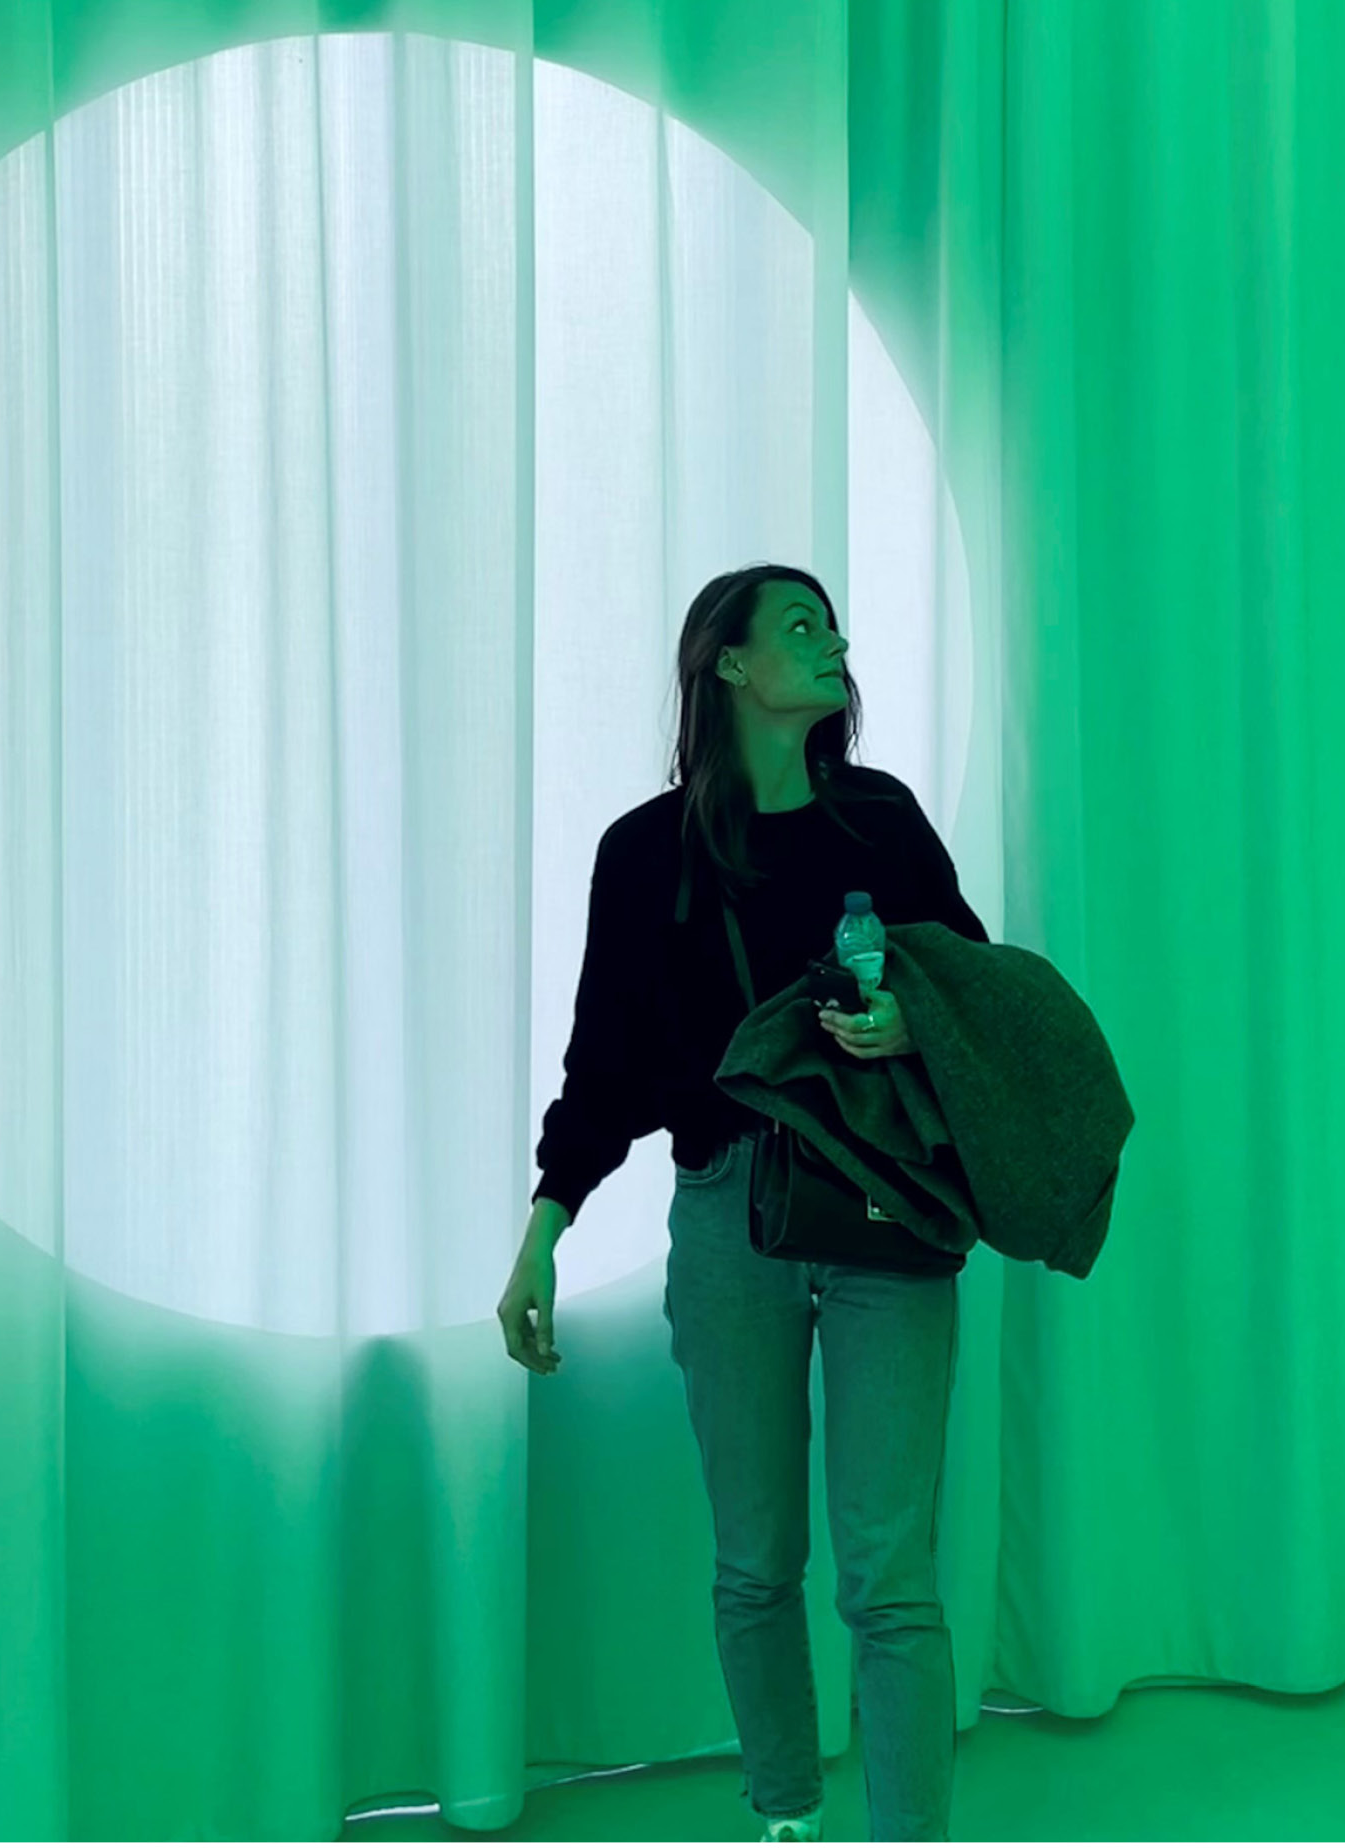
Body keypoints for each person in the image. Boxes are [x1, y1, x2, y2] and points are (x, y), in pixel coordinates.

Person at [497, 564, 989, 1843]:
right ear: (725, 662)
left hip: (883, 1213)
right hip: (727, 1214)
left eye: (833, 624)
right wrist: (541, 1232)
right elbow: (602, 1067)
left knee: (889, 1578)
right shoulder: (643, 852)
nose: (834, 640)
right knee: (755, 1563)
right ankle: (785, 1815)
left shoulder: (880, 820)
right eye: (800, 624)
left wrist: (908, 1022)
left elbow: (972, 987)